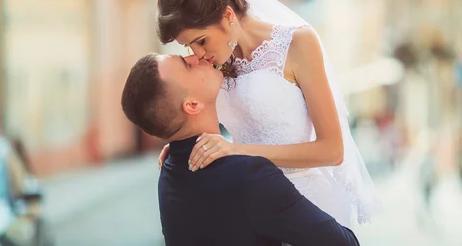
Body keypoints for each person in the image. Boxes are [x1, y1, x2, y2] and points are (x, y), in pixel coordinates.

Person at [156, 0, 380, 226]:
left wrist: (237, 151)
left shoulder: (298, 44)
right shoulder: (216, 65)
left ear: (228, 16)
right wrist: (184, 147)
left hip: (306, 206)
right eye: (188, 46)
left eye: (201, 41)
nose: (197, 54)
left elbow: (332, 150)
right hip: (250, 205)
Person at [121, 52, 361, 246]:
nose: (195, 56)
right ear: (192, 105)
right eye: (187, 65)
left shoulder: (169, 169)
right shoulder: (249, 175)